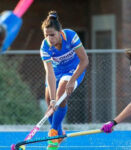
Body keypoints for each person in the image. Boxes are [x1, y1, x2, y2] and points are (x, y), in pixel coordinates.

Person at [40, 11, 89, 150]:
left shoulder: (70, 36)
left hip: (74, 70)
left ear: (60, 32)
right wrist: (53, 100)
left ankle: (53, 133)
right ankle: (59, 132)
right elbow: (49, 73)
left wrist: (73, 80)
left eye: (52, 35)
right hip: (56, 72)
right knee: (50, 100)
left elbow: (85, 60)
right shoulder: (45, 47)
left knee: (61, 91)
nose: (49, 38)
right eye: (46, 35)